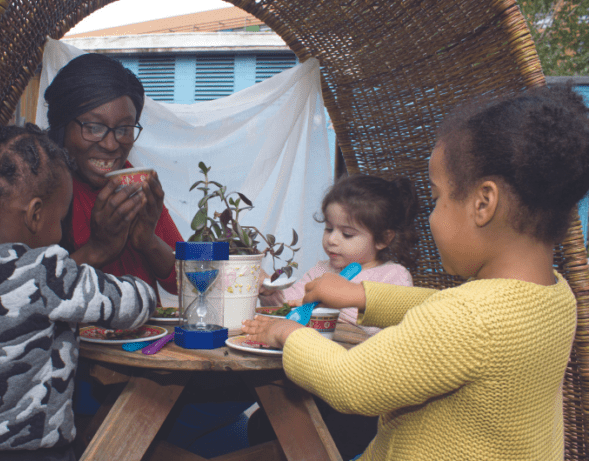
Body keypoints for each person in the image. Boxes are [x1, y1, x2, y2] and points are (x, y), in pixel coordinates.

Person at [242, 84, 589, 460]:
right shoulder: (555, 295)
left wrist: (288, 333)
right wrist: (361, 295)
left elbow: (351, 383)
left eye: (438, 199)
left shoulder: (469, 318)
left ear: (484, 202)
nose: (432, 216)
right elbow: (446, 305)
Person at [0, 124, 156, 460]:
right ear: (35, 214)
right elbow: (130, 304)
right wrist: (143, 289)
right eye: (60, 218)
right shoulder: (45, 270)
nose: (60, 230)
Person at [44, 53, 181, 300]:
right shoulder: (39, 186)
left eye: (124, 129)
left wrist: (148, 242)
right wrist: (98, 249)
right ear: (62, 126)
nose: (110, 144)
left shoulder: (134, 182)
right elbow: (25, 294)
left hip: (144, 338)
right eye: (94, 128)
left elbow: (187, 280)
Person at [260, 174, 418, 337]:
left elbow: (390, 330)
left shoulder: (395, 277)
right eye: (329, 229)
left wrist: (334, 307)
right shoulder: (321, 270)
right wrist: (269, 292)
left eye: (347, 234)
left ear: (384, 239)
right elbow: (290, 305)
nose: (332, 239)